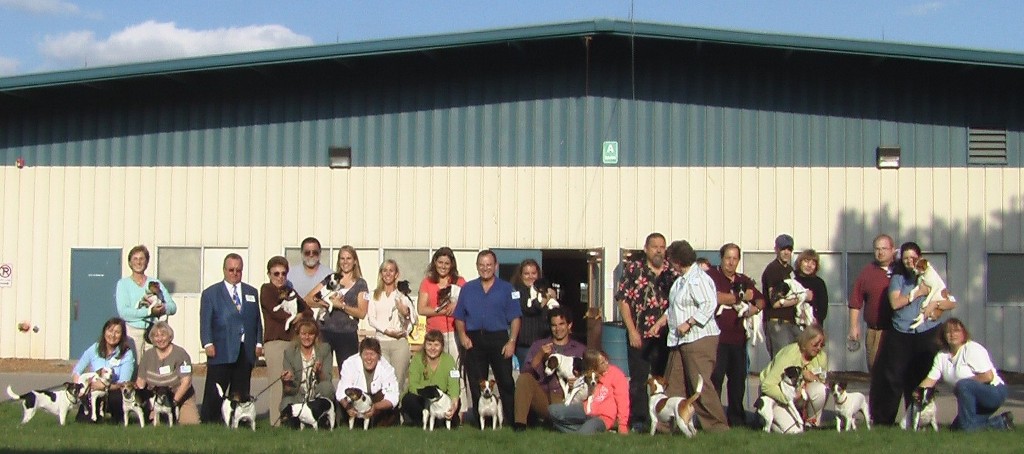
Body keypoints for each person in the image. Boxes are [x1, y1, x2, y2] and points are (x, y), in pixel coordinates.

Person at [870, 241, 957, 426]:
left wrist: (935, 305)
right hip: (901, 331)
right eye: (906, 258)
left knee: (920, 376)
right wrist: (918, 293)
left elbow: (950, 301)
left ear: (920, 258)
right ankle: (883, 421)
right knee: (893, 377)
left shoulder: (930, 274)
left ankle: (918, 420)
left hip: (926, 331)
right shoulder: (898, 278)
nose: (910, 261)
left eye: (913, 258)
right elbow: (895, 303)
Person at [662, 239, 729, 432]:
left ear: (677, 260)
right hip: (679, 340)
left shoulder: (698, 278)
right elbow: (676, 308)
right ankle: (668, 426)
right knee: (674, 383)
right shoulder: (680, 281)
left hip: (699, 339)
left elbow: (709, 304)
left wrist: (690, 322)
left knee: (698, 383)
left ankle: (717, 426)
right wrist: (661, 322)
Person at [615, 232, 676, 432]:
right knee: (639, 380)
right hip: (639, 333)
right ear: (646, 249)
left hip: (665, 335)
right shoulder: (634, 269)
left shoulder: (671, 272)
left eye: (662, 246)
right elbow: (623, 300)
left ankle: (662, 422)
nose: (659, 250)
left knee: (662, 379)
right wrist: (631, 330)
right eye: (654, 246)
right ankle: (640, 420)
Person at [454, 249, 522, 425]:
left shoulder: (507, 289)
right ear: (477, 267)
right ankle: (480, 422)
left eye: (489, 265)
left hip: (498, 338)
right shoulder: (467, 289)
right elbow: (459, 317)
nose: (485, 268)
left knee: (506, 381)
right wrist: (462, 336)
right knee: (477, 382)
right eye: (482, 265)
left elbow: (515, 318)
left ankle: (510, 419)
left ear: (496, 266)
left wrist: (512, 341)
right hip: (474, 339)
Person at [199, 253, 264, 423]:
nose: (235, 273)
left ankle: (238, 420)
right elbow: (205, 321)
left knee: (241, 389)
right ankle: (210, 420)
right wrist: (207, 342)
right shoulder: (211, 293)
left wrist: (258, 342)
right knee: (216, 388)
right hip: (221, 346)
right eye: (231, 270)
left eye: (238, 270)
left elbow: (256, 320)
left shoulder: (251, 292)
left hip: (246, 347)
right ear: (224, 270)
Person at [918, 318, 1013, 431]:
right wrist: (917, 392)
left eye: (956, 331)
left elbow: (988, 376)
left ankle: (995, 424)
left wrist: (962, 385)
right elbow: (931, 380)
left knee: (964, 385)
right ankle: (1002, 422)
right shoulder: (942, 355)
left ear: (963, 333)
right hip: (971, 400)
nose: (952, 335)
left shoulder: (972, 348)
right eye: (948, 332)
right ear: (943, 336)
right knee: (957, 429)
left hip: (993, 392)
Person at [707, 243, 765, 427]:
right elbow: (715, 297)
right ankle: (714, 418)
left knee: (738, 381)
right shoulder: (711, 276)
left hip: (739, 339)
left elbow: (761, 299)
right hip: (717, 338)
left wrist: (753, 309)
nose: (731, 263)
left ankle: (736, 419)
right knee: (716, 379)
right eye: (728, 258)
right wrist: (740, 297)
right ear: (721, 258)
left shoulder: (743, 279)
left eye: (735, 259)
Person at [513, 308, 588, 430]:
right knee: (524, 379)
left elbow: (592, 375)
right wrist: (539, 355)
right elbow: (525, 371)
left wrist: (578, 381)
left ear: (569, 325)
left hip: (567, 399)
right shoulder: (539, 345)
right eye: (554, 325)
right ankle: (520, 425)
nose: (557, 329)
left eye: (561, 324)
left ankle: (563, 423)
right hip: (545, 396)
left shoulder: (580, 349)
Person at [260, 255, 313, 426]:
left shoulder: (291, 290)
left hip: (292, 342)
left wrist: (300, 315)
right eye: (276, 274)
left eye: (283, 273)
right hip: (275, 342)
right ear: (269, 274)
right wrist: (295, 317)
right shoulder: (267, 290)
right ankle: (275, 422)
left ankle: (294, 420)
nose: (280, 277)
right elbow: (276, 314)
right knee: (277, 383)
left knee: (293, 383)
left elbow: (308, 311)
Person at [306, 245, 369, 372]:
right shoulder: (331, 278)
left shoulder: (361, 284)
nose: (345, 262)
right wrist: (327, 303)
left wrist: (342, 306)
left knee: (347, 373)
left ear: (355, 261)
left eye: (349, 258)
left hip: (347, 334)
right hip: (324, 331)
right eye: (342, 258)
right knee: (321, 372)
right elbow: (308, 299)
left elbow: (362, 313)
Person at [758, 325, 829, 432]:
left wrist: (813, 378)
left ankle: (812, 423)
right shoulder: (789, 355)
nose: (818, 348)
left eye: (821, 345)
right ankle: (766, 419)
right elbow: (767, 386)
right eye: (815, 344)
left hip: (799, 395)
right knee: (794, 431)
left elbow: (823, 382)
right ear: (805, 342)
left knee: (821, 389)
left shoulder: (821, 357)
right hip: (775, 397)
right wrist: (788, 399)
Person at [114, 245, 176, 361]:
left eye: (142, 259)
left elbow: (173, 307)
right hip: (132, 332)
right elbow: (124, 312)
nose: (138, 262)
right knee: (133, 368)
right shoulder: (123, 284)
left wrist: (163, 308)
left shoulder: (155, 283)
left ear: (147, 262)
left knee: (154, 367)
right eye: (135, 259)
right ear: (130, 263)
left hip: (154, 332)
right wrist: (149, 311)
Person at [547, 349, 629, 435]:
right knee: (552, 410)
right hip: (584, 409)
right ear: (593, 367)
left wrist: (622, 424)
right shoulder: (588, 376)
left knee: (584, 432)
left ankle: (581, 430)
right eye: (602, 363)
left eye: (606, 360)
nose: (607, 363)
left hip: (602, 417)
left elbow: (623, 400)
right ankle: (580, 429)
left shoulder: (616, 374)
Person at [135, 321, 199, 425]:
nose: (160, 339)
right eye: (156, 336)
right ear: (152, 339)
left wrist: (173, 403)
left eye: (163, 335)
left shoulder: (181, 354)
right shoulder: (147, 355)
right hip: (155, 398)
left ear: (170, 336)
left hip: (178, 396)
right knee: (155, 424)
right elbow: (140, 382)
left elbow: (186, 382)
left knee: (190, 423)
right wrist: (148, 405)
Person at [72, 317, 135, 423]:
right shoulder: (95, 348)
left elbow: (123, 383)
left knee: (115, 398)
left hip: (114, 392)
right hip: (93, 391)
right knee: (83, 421)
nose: (112, 335)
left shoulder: (127, 354)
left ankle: (118, 418)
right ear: (104, 331)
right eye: (110, 330)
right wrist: (80, 387)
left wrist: (105, 386)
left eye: (117, 332)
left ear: (122, 335)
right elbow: (77, 370)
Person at [849, 234, 896, 372]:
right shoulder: (867, 272)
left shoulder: (901, 270)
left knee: (896, 372)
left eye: (884, 248)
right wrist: (853, 327)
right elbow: (855, 301)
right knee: (876, 370)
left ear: (893, 249)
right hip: (875, 331)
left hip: (898, 331)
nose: (880, 252)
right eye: (877, 249)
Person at [365, 259, 414, 394]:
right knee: (381, 382)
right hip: (380, 343)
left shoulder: (402, 296)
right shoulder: (374, 295)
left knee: (398, 382)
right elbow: (371, 319)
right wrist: (387, 331)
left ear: (396, 274)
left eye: (391, 270)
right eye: (385, 270)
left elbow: (411, 322)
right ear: (381, 274)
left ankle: (397, 412)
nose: (388, 274)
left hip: (399, 343)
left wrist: (406, 315)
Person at [401, 329, 461, 427]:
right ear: (424, 346)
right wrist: (428, 395)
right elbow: (413, 385)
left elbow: (454, 384)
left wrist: (454, 403)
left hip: (441, 397)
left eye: (436, 345)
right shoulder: (417, 359)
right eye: (429, 344)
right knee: (408, 400)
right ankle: (420, 421)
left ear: (442, 347)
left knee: (453, 406)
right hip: (421, 396)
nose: (432, 348)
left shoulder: (449, 360)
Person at [280, 319, 335, 426]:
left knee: (327, 387)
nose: (307, 337)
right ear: (298, 335)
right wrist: (286, 381)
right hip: (298, 394)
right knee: (285, 404)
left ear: (316, 336)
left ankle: (324, 418)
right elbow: (288, 391)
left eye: (310, 334)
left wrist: (319, 372)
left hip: (316, 394)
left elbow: (327, 379)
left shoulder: (325, 349)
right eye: (303, 334)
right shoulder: (289, 353)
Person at [336, 337, 400, 427]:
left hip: (376, 400)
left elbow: (393, 396)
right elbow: (342, 391)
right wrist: (348, 407)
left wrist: (375, 407)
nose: (369, 358)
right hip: (355, 401)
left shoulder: (387, 368)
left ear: (378, 355)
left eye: (372, 354)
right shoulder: (349, 364)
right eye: (365, 354)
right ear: (360, 354)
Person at [417, 247, 467, 361]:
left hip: (454, 333)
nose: (443, 266)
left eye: (447, 263)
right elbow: (421, 309)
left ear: (452, 265)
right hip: (433, 334)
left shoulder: (460, 281)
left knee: (455, 368)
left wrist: (457, 306)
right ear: (435, 262)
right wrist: (443, 311)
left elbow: (467, 303)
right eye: (440, 262)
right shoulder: (427, 282)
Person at [761, 233, 802, 358]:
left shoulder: (790, 270)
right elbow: (775, 302)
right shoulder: (772, 270)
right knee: (781, 362)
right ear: (776, 250)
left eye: (789, 249)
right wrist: (799, 299)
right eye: (783, 249)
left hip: (792, 322)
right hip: (777, 323)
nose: (786, 252)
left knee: (796, 359)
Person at [511, 258, 549, 368]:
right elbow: (528, 309)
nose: (530, 276)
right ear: (521, 275)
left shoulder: (542, 289)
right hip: (526, 344)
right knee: (528, 374)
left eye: (533, 273)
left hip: (543, 341)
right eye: (526, 274)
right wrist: (543, 301)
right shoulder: (516, 291)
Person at [793, 249, 828, 325]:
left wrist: (816, 319)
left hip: (812, 325)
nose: (809, 265)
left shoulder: (819, 283)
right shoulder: (792, 280)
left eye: (813, 263)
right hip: (793, 324)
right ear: (800, 262)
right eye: (806, 261)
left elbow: (823, 308)